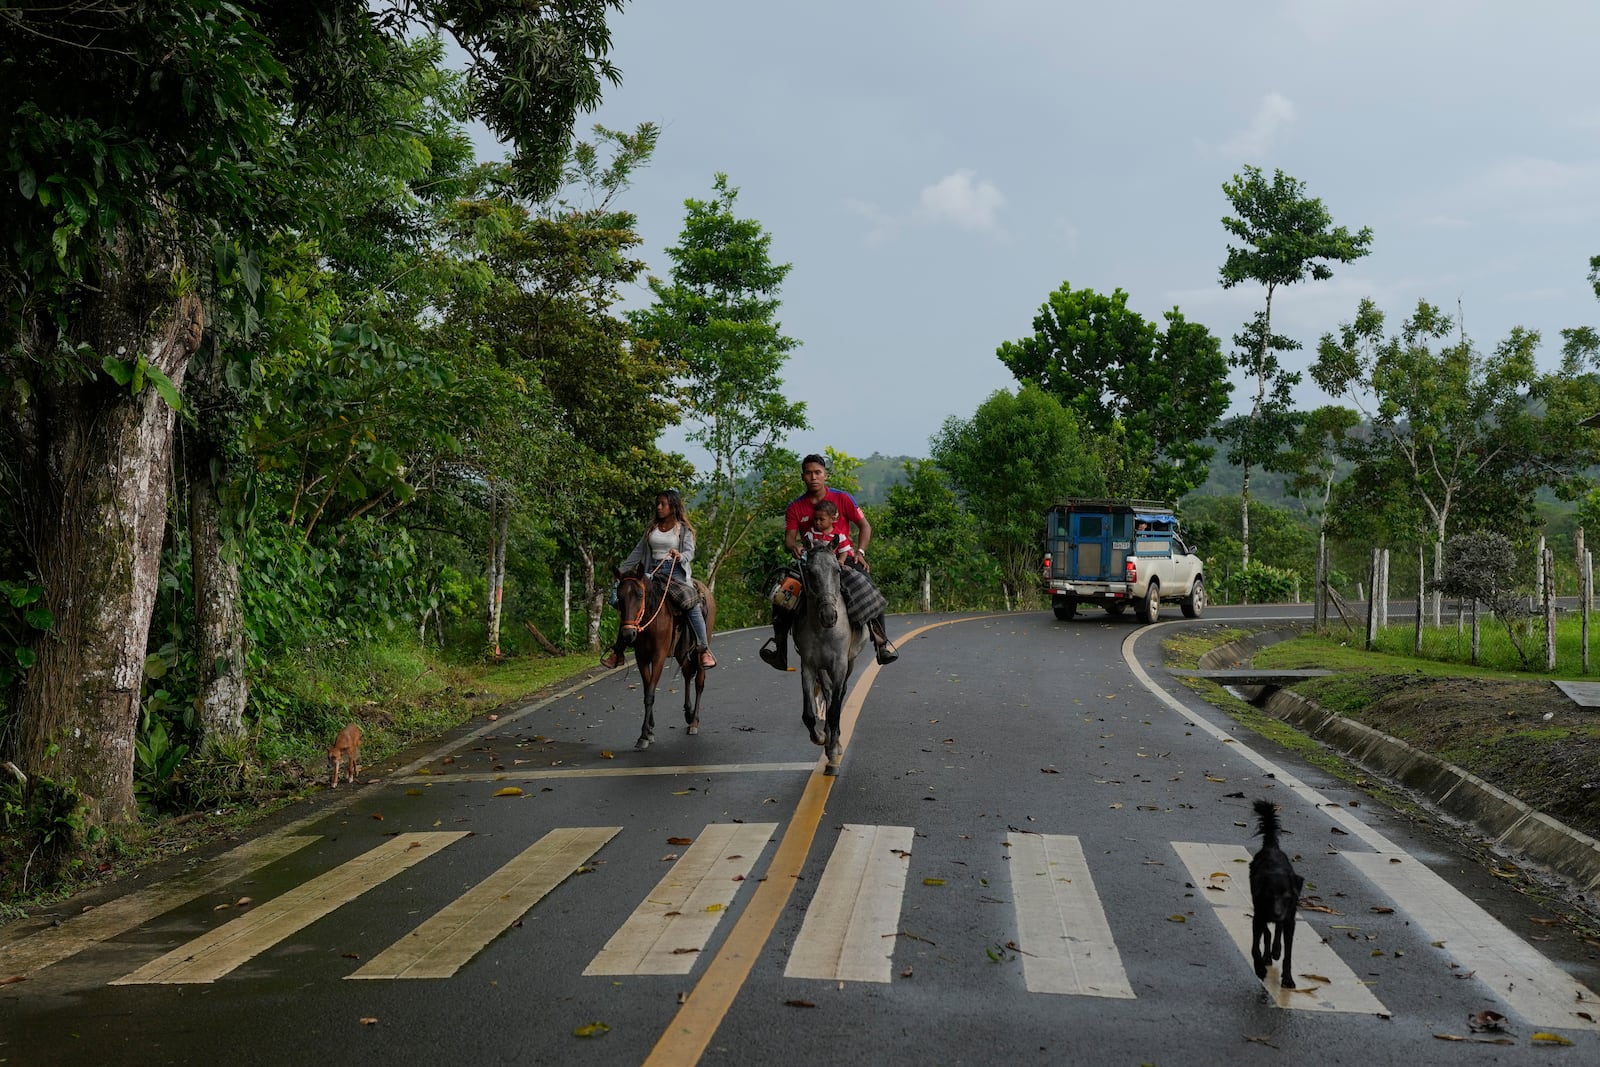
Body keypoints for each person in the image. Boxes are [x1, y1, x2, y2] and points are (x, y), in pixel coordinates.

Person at [759, 453, 898, 670]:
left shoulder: (843, 498)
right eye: (808, 473)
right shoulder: (796, 507)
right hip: (811, 562)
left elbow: (865, 526)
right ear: (802, 476)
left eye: (817, 472)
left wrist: (860, 552)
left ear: (826, 475)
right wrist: (793, 546)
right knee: (782, 595)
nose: (813, 477)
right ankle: (779, 648)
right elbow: (789, 537)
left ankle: (881, 642)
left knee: (868, 587)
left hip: (843, 559)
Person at [602, 489, 716, 670]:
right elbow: (638, 551)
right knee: (631, 603)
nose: (659, 507)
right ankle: (618, 652)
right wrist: (622, 572)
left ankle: (704, 649)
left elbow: (689, 552)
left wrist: (679, 556)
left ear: (673, 506)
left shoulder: (683, 529)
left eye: (663, 504)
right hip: (651, 573)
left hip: (674, 574)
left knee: (691, 602)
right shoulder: (651, 528)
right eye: (658, 503)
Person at [800, 499, 856, 565]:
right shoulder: (811, 533)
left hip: (831, 564)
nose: (817, 522)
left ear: (832, 519)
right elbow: (807, 548)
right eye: (815, 519)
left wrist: (841, 561)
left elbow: (844, 551)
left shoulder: (839, 535)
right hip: (815, 563)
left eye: (821, 519)